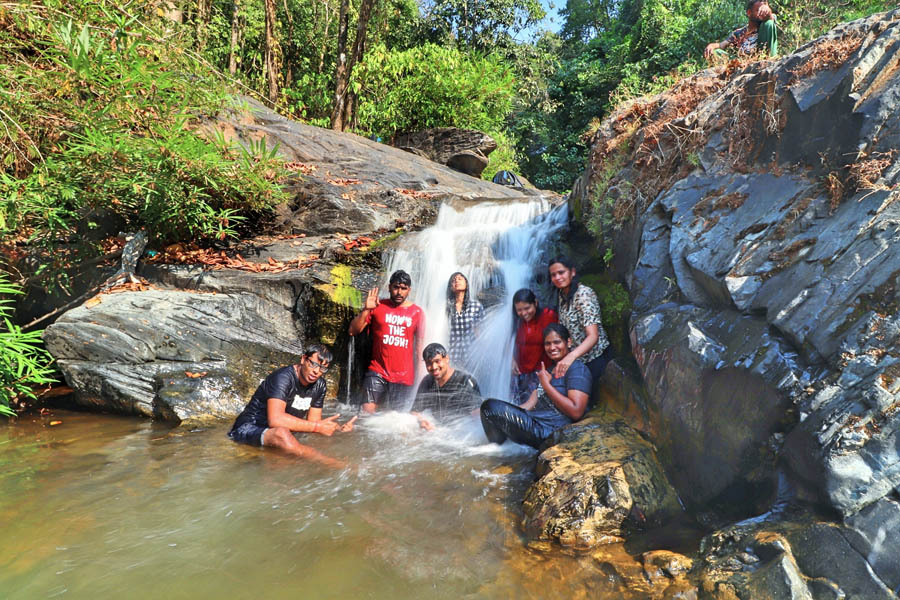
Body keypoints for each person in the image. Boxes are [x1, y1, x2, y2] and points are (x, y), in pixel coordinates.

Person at [227, 344, 355, 465]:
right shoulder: (283, 378)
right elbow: (276, 420)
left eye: (322, 368)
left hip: (281, 436)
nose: (316, 371)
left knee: (289, 456)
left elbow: (314, 421)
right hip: (248, 428)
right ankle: (328, 463)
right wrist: (317, 427)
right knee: (281, 434)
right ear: (303, 359)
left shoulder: (320, 385)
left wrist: (338, 428)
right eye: (313, 364)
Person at [480, 324, 591, 448]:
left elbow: (576, 411)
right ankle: (501, 450)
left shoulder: (577, 369)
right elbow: (528, 406)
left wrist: (547, 386)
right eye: (547, 344)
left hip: (550, 430)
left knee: (490, 407)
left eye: (557, 342)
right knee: (489, 409)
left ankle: (499, 450)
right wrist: (507, 412)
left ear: (568, 342)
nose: (552, 347)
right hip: (535, 420)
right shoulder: (548, 371)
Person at [349, 269, 425, 413]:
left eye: (403, 288)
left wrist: (421, 379)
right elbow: (353, 331)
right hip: (378, 371)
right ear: (389, 287)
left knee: (396, 421)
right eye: (396, 287)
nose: (399, 292)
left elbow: (419, 349)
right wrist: (366, 309)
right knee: (366, 413)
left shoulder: (417, 313)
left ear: (409, 290)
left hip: (404, 376)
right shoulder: (378, 307)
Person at [548, 255, 611, 381]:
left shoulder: (583, 294)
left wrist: (570, 357)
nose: (557, 278)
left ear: (572, 272)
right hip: (576, 359)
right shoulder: (562, 294)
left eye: (561, 272)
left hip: (595, 359)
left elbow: (593, 336)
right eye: (553, 275)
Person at [410, 343, 481, 431]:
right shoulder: (427, 382)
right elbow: (414, 412)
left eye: (437, 361)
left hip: (461, 434)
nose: (434, 367)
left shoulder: (465, 381)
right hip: (437, 433)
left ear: (446, 358)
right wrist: (421, 421)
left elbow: (478, 418)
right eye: (429, 363)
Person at [511, 288, 557, 404]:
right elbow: (508, 340)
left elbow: (558, 341)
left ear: (535, 303)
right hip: (519, 371)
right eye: (519, 310)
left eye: (527, 308)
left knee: (533, 406)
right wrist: (511, 359)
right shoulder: (516, 321)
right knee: (514, 403)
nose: (524, 313)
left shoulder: (548, 316)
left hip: (541, 371)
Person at [704, 0, 778, 60]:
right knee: (715, 52)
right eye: (758, 10)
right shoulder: (739, 32)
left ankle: (768, 61)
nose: (762, 13)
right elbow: (722, 45)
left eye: (763, 10)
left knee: (768, 23)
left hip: (762, 59)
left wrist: (768, 12)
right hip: (744, 63)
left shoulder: (767, 23)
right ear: (749, 13)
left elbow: (771, 18)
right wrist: (711, 45)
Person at [446, 272, 485, 367]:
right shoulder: (446, 307)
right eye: (453, 280)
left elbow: (481, 332)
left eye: (460, 279)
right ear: (451, 287)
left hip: (471, 355)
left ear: (466, 284)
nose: (456, 281)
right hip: (451, 357)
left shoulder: (476, 306)